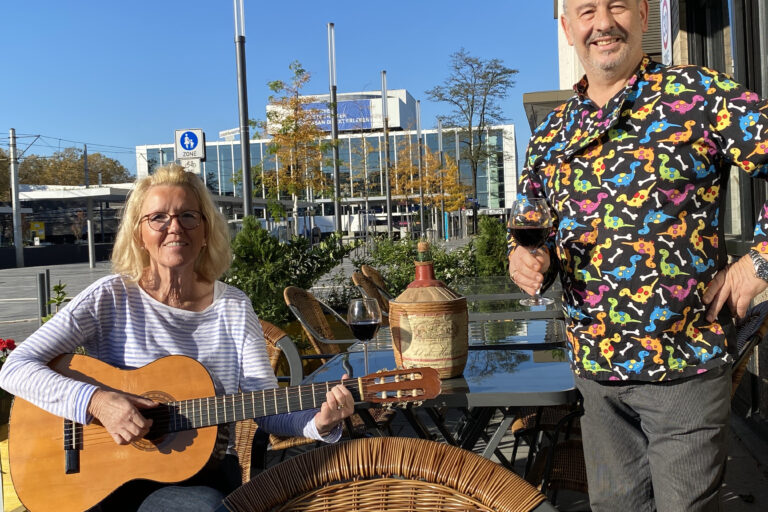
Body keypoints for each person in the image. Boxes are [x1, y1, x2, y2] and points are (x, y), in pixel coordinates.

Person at [508, 0, 768, 510]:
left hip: (683, 372)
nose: (603, 23)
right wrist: (525, 258)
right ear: (567, 28)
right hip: (596, 378)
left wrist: (757, 262)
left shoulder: (696, 94)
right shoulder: (551, 134)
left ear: (645, 17)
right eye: (586, 12)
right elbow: (527, 226)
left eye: (618, 6)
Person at [0, 164, 355, 511]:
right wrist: (96, 402)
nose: (175, 228)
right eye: (158, 218)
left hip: (202, 476)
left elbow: (264, 406)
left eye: (188, 216)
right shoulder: (110, 296)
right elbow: (14, 368)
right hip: (101, 474)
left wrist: (316, 423)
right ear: (140, 233)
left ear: (205, 231)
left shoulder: (232, 306)